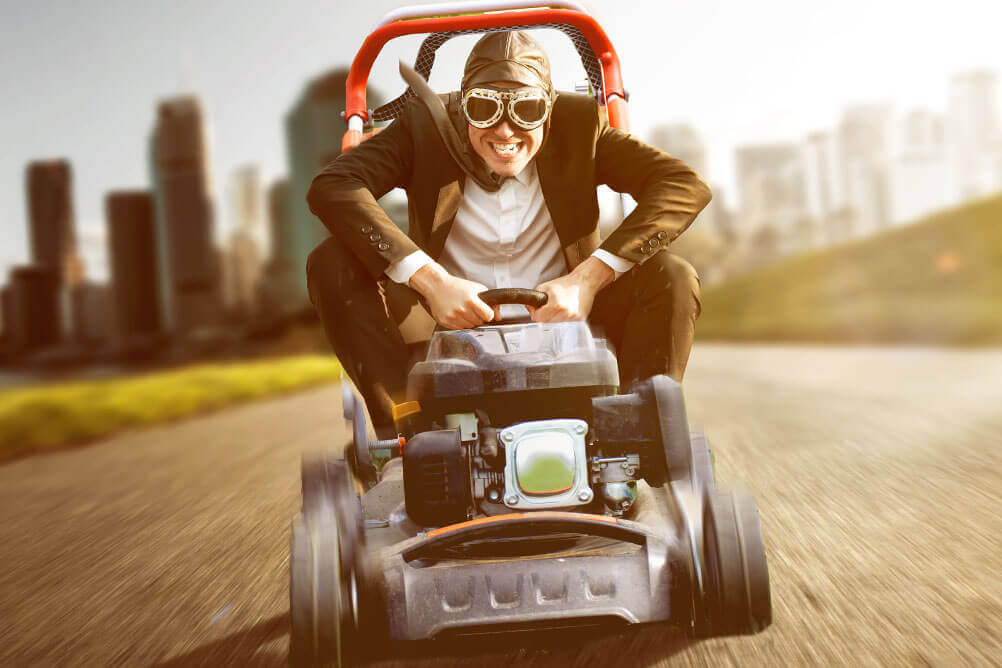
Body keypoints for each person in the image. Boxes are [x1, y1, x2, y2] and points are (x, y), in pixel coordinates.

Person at [306, 31, 711, 438]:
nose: (504, 131)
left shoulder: (581, 124)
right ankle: (403, 431)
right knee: (331, 262)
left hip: (571, 322)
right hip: (445, 327)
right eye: (484, 108)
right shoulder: (424, 125)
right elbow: (334, 185)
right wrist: (433, 282)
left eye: (527, 109)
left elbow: (684, 186)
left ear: (548, 107)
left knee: (671, 274)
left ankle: (637, 431)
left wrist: (586, 281)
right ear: (464, 104)